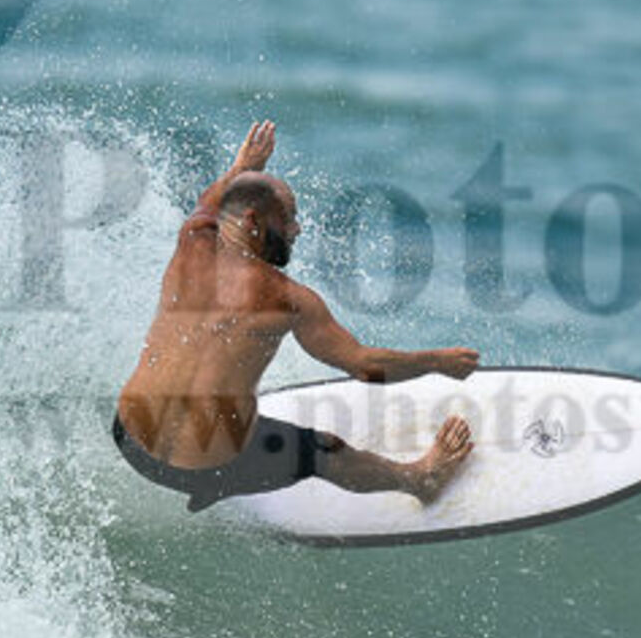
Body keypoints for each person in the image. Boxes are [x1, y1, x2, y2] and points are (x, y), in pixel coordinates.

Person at [113, 120, 480, 512]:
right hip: (205, 469)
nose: (297, 228)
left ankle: (222, 478)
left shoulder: (193, 238)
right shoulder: (288, 300)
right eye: (286, 218)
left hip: (131, 442)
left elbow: (213, 199)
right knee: (325, 452)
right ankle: (421, 480)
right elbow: (364, 366)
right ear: (252, 221)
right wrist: (436, 362)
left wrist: (243, 167)